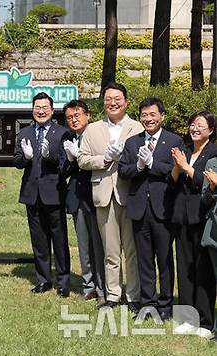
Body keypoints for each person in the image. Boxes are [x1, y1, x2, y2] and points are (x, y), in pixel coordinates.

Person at [77, 82, 143, 310]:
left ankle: (134, 295)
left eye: (117, 99)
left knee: (132, 249)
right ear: (103, 102)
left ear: (126, 102)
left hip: (130, 193)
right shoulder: (93, 129)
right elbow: (82, 159)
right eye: (108, 99)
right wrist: (103, 159)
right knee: (110, 250)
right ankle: (113, 294)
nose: (112, 103)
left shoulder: (137, 128)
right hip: (103, 193)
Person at [118, 97, 183, 320]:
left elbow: (177, 172)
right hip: (139, 209)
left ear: (162, 116)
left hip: (163, 208)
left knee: (164, 259)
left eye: (152, 114)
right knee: (144, 260)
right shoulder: (133, 142)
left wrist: (153, 165)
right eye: (144, 115)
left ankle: (165, 305)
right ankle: (149, 304)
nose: (148, 119)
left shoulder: (174, 141)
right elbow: (123, 171)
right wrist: (138, 166)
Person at [14, 92, 71, 297]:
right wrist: (26, 158)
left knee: (59, 238)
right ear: (32, 110)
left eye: (45, 108)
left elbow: (67, 165)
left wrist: (51, 157)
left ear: (52, 110)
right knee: (38, 240)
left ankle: (63, 282)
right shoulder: (24, 133)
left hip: (54, 193)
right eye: (37, 108)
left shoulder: (62, 132)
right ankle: (43, 280)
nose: (41, 111)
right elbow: (17, 161)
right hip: (32, 193)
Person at [171, 110, 217, 337]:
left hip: (203, 216)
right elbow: (173, 181)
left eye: (200, 124)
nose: (194, 128)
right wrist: (178, 165)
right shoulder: (186, 150)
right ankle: (187, 319)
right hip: (182, 216)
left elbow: (205, 182)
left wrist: (186, 167)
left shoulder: (213, 152)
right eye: (192, 124)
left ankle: (206, 321)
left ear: (210, 130)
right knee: (185, 267)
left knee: (204, 269)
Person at [62, 100, 106, 306]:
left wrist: (81, 156)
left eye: (77, 115)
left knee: (99, 245)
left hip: (97, 195)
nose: (74, 120)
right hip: (77, 196)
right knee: (83, 245)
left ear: (88, 115)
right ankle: (88, 286)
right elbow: (62, 170)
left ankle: (103, 287)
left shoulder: (97, 134)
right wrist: (71, 159)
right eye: (69, 117)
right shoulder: (68, 137)